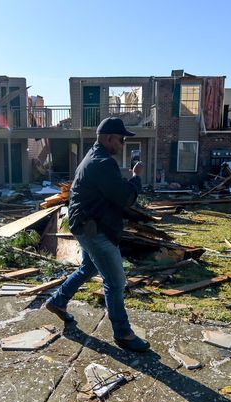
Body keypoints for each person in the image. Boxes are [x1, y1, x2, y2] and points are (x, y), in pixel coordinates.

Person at [45, 117, 150, 352]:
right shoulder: (102, 162)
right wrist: (136, 178)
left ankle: (58, 301)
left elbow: (109, 191)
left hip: (86, 226)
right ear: (109, 138)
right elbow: (125, 198)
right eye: (121, 139)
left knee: (89, 268)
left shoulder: (93, 157)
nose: (122, 144)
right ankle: (123, 334)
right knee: (115, 281)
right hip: (95, 230)